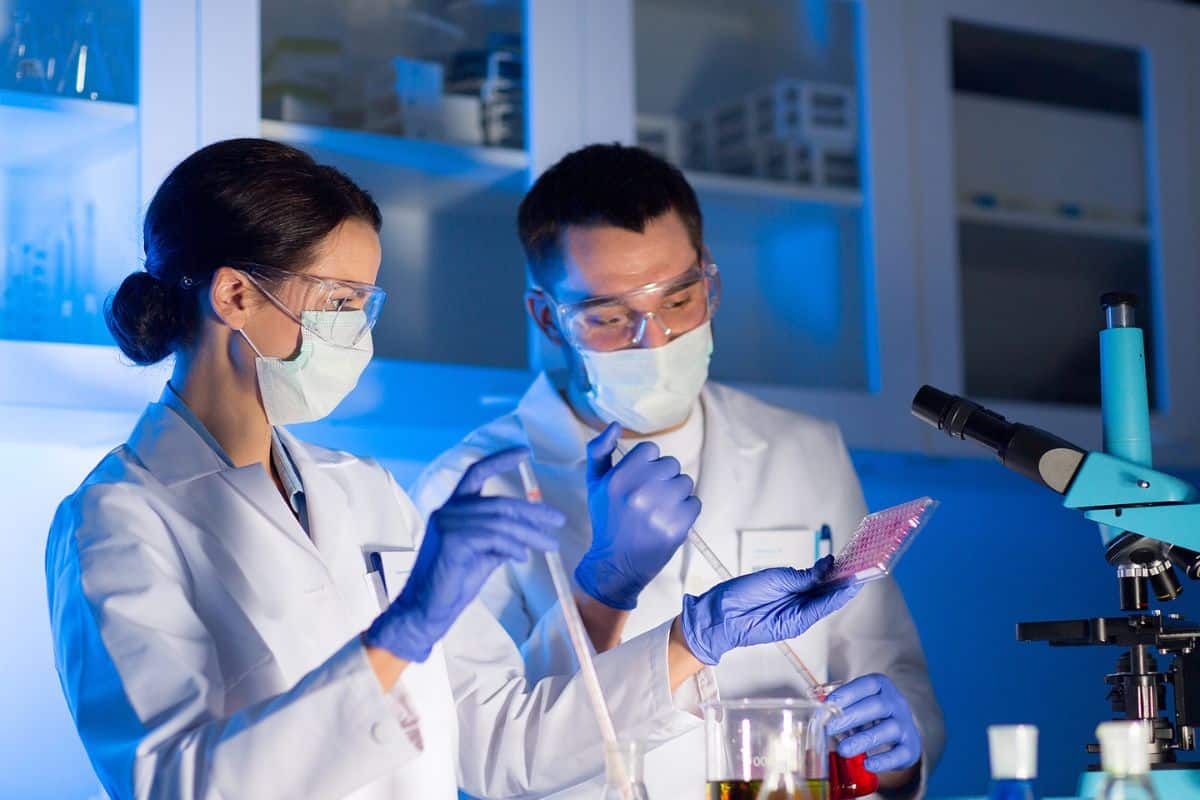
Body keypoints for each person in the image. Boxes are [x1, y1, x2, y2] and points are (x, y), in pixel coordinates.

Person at [46, 138, 862, 800]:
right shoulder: (117, 519)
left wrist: (700, 636)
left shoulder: (362, 492)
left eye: (366, 304)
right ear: (233, 297)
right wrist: (408, 627)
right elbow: (175, 785)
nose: (357, 334)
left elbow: (507, 748)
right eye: (338, 303)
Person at [412, 143, 946, 798]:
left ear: (709, 278)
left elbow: (889, 669)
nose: (655, 338)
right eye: (608, 316)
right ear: (549, 318)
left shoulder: (803, 449)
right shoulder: (467, 488)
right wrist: (602, 589)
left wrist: (896, 752)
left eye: (679, 299)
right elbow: (489, 760)